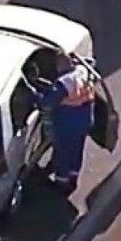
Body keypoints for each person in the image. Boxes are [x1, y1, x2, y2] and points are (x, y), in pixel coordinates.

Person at [34, 52, 95, 192]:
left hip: (68, 124)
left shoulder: (65, 82)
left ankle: (61, 183)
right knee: (76, 151)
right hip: (85, 121)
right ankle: (73, 178)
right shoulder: (82, 71)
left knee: (63, 153)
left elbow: (48, 101)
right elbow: (87, 64)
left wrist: (34, 95)